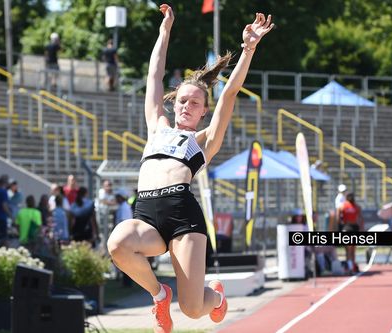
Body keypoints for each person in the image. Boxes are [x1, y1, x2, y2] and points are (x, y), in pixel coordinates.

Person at [107, 5, 274, 332]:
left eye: (195, 102)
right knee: (118, 244)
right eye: (183, 100)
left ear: (203, 111)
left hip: (182, 213)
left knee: (194, 309)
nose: (187, 105)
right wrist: (164, 31)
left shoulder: (204, 140)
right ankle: (158, 295)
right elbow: (154, 73)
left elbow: (230, 93)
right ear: (174, 101)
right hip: (146, 212)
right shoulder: (156, 126)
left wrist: (248, 48)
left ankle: (216, 298)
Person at [337, 192, 364, 273]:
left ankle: (351, 266)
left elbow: (360, 218)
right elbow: (338, 217)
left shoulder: (355, 206)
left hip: (351, 227)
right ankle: (350, 266)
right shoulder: (344, 206)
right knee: (350, 249)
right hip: (349, 227)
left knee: (351, 249)